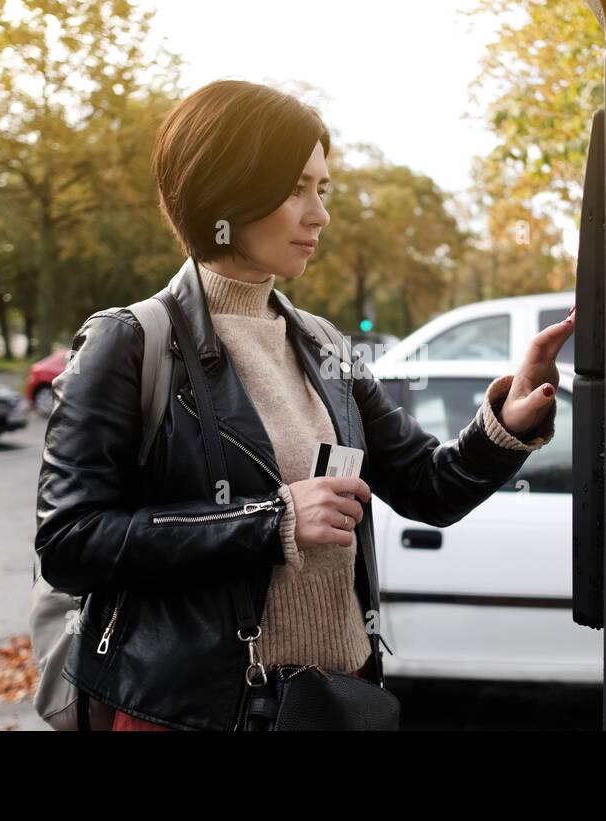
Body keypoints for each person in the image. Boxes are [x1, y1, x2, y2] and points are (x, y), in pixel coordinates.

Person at [35, 79, 574, 731]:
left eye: (323, 189)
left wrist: (508, 423)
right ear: (227, 189)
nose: (319, 215)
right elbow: (70, 539)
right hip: (185, 713)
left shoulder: (323, 345)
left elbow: (428, 487)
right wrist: (270, 519)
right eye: (296, 189)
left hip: (330, 701)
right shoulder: (131, 340)